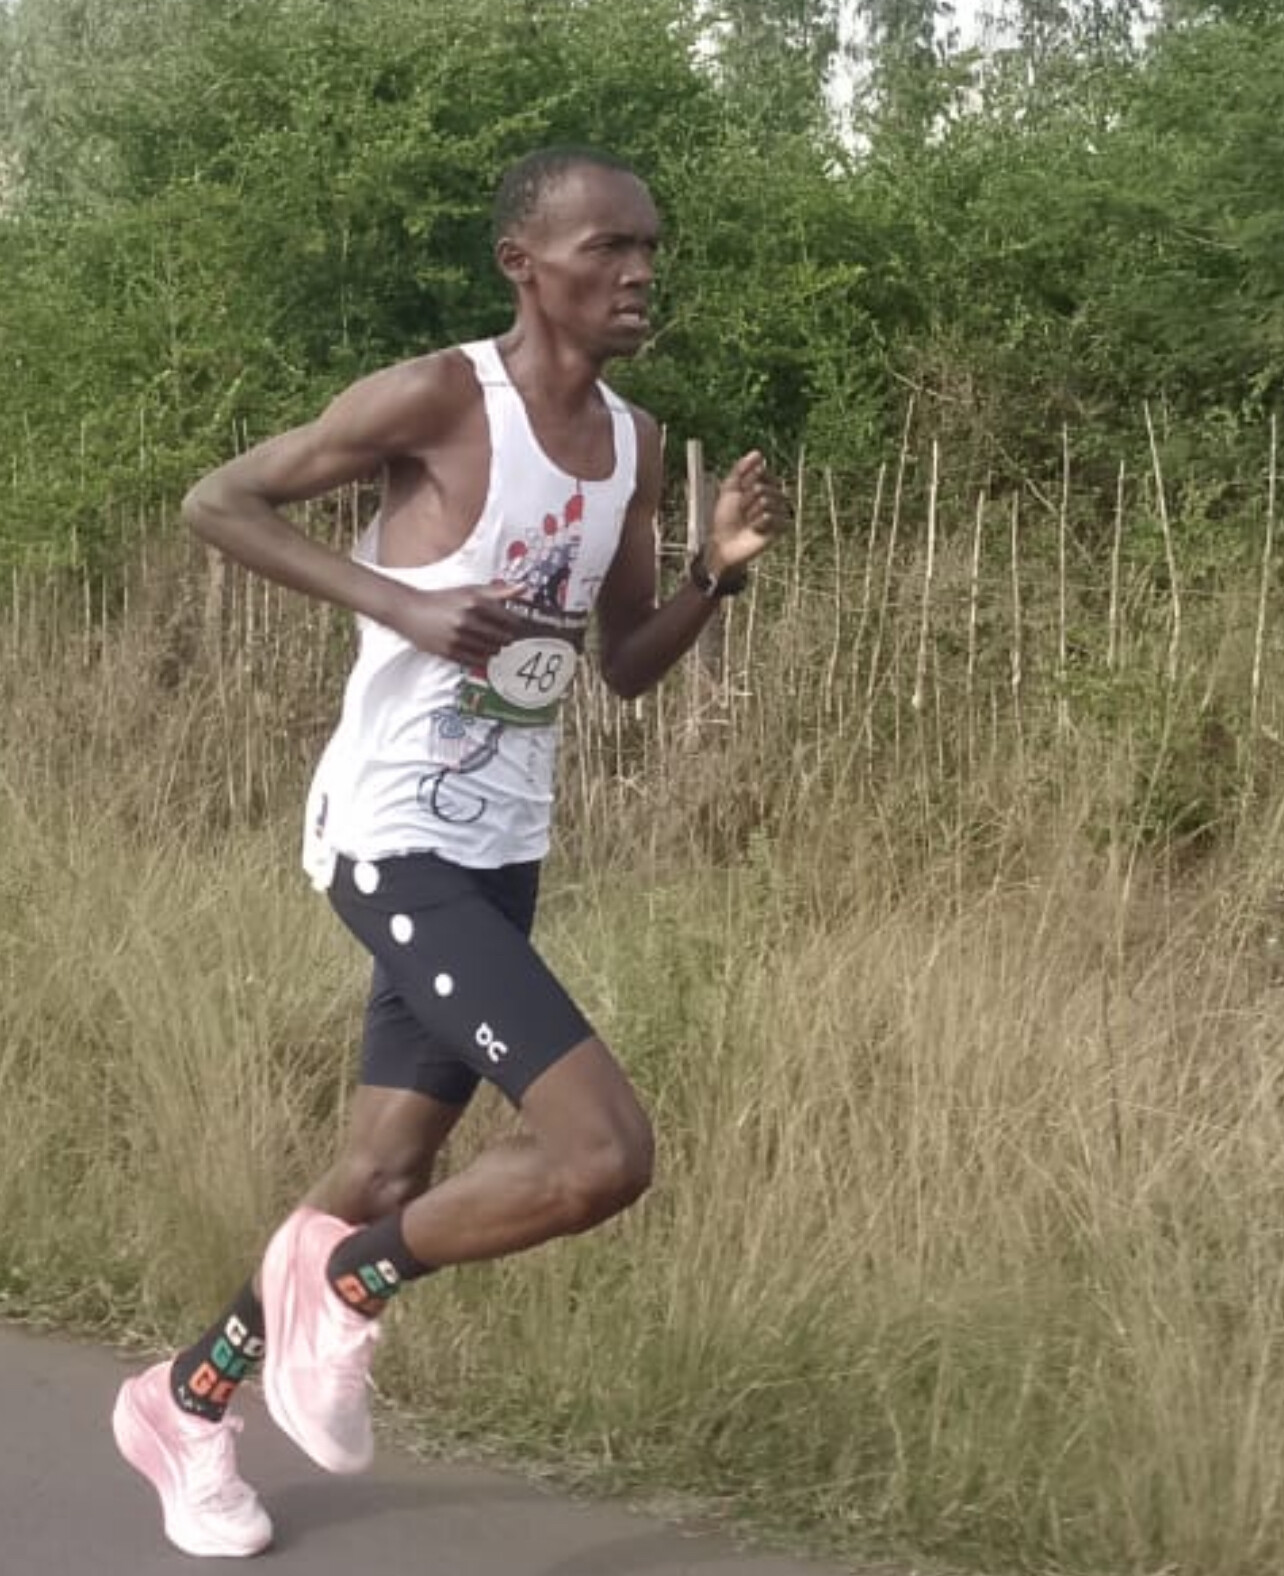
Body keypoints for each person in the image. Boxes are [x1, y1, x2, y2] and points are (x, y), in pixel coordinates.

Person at [110, 145, 789, 1558]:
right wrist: (400, 604)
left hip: (503, 847)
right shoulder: (440, 398)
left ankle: (185, 1404)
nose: (639, 273)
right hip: (392, 835)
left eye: (649, 249)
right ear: (522, 267)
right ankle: (347, 1290)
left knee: (381, 1174)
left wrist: (713, 577)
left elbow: (623, 666)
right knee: (601, 1154)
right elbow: (218, 501)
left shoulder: (636, 444)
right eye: (607, 248)